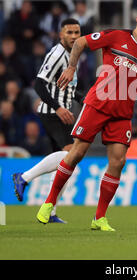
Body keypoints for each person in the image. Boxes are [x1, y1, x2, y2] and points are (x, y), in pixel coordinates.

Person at [36, 4, 137, 231]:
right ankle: (49, 202)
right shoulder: (116, 36)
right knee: (76, 153)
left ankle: (99, 218)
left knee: (118, 161)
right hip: (97, 104)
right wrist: (71, 68)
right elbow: (80, 43)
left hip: (122, 114)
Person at [12, 18, 84, 223]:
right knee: (71, 156)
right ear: (60, 35)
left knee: (65, 163)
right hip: (53, 112)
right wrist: (58, 107)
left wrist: (82, 98)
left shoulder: (73, 54)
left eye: (76, 32)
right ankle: (23, 177)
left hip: (63, 111)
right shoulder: (57, 54)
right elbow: (39, 85)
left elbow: (66, 86)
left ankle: (50, 211)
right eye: (69, 32)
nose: (73, 36)